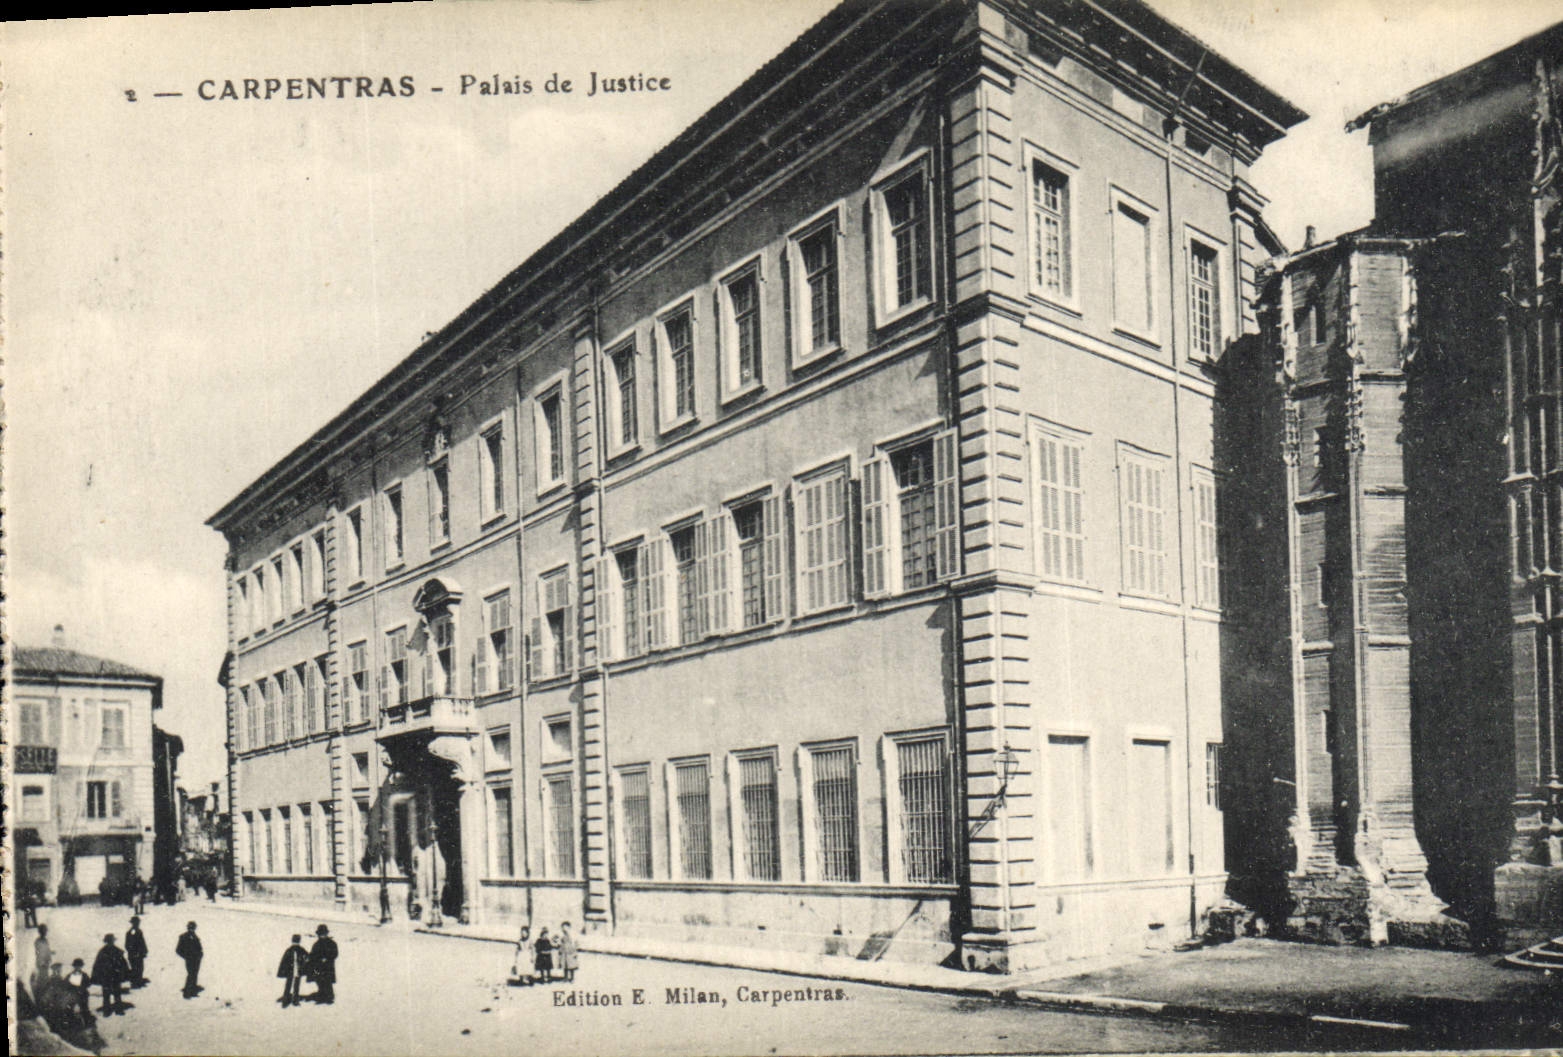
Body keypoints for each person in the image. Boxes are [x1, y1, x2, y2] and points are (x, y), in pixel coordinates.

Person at [91, 934, 130, 1015]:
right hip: (106, 976)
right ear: (106, 942)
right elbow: (97, 965)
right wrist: (97, 977)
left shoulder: (117, 951)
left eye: (111, 941)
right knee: (106, 994)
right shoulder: (102, 952)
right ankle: (107, 1010)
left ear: (113, 941)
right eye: (109, 941)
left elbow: (123, 964)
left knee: (117, 993)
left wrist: (125, 974)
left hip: (115, 976)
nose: (110, 943)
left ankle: (118, 1010)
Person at [307, 924, 338, 1004]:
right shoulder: (316, 944)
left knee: (327, 981)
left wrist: (327, 958)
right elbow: (313, 954)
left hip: (328, 967)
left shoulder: (332, 943)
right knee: (319, 980)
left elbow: (335, 953)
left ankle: (329, 997)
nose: (322, 936)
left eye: (323, 934)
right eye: (320, 934)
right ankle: (322, 995)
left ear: (326, 934)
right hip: (318, 967)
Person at [276, 934, 309, 1008]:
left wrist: (283, 970)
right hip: (298, 970)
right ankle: (295, 1000)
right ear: (299, 941)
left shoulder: (289, 950)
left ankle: (285, 1001)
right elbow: (308, 957)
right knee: (296, 986)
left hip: (290, 971)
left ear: (292, 940)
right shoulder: (301, 949)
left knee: (288, 985)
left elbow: (284, 961)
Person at [175, 921, 203, 998]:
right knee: (191, 974)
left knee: (195, 974)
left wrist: (200, 954)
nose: (192, 929)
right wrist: (186, 956)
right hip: (189, 959)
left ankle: (193, 989)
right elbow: (178, 950)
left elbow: (199, 948)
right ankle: (187, 993)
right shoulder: (183, 937)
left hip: (197, 959)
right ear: (188, 928)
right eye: (190, 928)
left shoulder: (195, 937)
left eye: (193, 928)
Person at [125, 915, 149, 987]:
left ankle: (139, 981)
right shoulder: (132, 932)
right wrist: (134, 952)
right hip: (134, 954)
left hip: (139, 953)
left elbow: (142, 942)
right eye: (136, 922)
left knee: (140, 967)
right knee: (135, 968)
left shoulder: (138, 931)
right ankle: (135, 983)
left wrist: (144, 951)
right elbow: (129, 944)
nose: (138, 924)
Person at [32, 924, 53, 998]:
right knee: (42, 981)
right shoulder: (38, 941)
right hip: (41, 965)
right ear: (40, 932)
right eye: (44, 931)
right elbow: (39, 953)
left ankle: (43, 997)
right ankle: (39, 997)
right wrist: (42, 963)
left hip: (45, 964)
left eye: (45, 931)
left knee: (46, 980)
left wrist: (50, 954)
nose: (45, 932)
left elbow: (47, 951)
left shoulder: (45, 941)